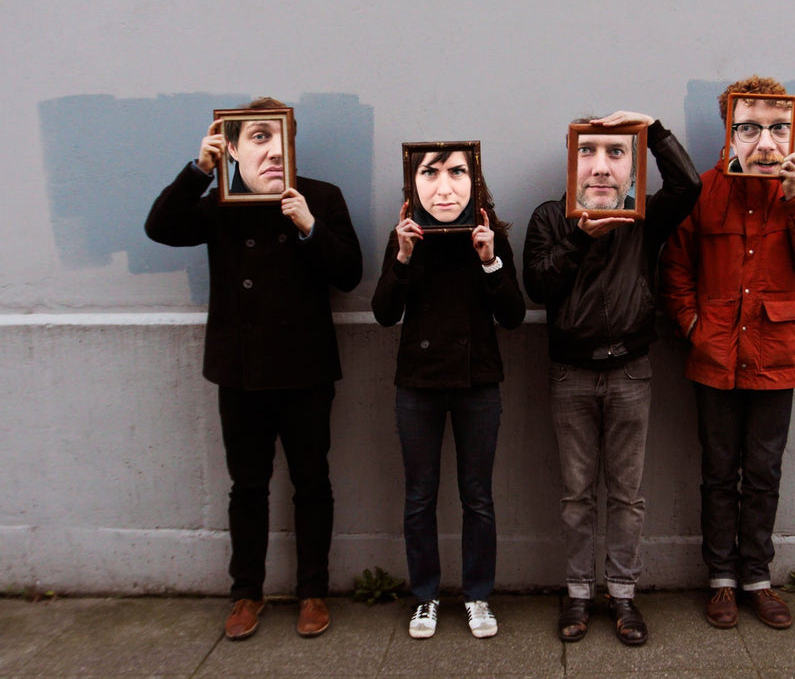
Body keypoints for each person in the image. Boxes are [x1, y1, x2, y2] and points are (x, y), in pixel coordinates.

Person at [145, 97, 362, 640]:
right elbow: (160, 227)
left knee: (312, 481)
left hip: (306, 367)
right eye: (258, 137)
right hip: (240, 370)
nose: (273, 150)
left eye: (281, 137)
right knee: (247, 486)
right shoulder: (220, 201)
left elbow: (350, 274)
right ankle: (246, 593)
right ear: (234, 148)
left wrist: (309, 225)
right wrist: (199, 169)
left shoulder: (320, 197)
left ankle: (313, 591)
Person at [661, 76, 795, 630]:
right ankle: (720, 579)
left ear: (790, 131)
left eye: (777, 127)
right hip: (714, 354)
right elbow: (675, 267)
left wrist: (794, 197)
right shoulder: (705, 190)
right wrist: (693, 326)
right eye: (750, 127)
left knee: (763, 472)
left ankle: (757, 579)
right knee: (718, 472)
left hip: (773, 356)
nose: (764, 140)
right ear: (730, 131)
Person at [523, 112, 701, 645]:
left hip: (630, 371)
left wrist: (655, 130)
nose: (601, 167)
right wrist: (579, 237)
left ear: (632, 166)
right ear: (571, 158)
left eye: (616, 152)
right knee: (576, 494)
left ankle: (623, 594)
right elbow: (538, 285)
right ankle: (578, 594)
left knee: (627, 495)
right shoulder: (549, 217)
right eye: (588, 151)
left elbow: (689, 186)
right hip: (571, 374)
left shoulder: (643, 217)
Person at [372, 148, 525, 640]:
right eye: (430, 171)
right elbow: (383, 313)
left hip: (477, 382)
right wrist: (402, 256)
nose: (444, 185)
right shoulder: (406, 237)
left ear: (473, 180)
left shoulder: (490, 236)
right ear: (414, 183)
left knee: (477, 496)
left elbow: (513, 316)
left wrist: (490, 260)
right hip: (418, 384)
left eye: (457, 171)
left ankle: (478, 595)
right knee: (419, 496)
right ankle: (425, 595)